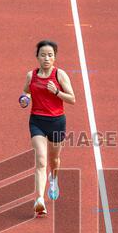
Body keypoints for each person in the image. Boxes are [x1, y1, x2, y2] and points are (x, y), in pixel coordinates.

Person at [22, 39, 75, 215]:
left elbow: (72, 99)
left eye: (50, 55)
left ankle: (54, 178)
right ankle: (39, 199)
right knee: (41, 160)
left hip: (57, 122)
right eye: (43, 55)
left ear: (54, 57)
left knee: (54, 160)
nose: (46, 58)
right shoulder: (31, 75)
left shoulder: (60, 75)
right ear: (37, 57)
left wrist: (57, 92)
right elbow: (26, 92)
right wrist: (25, 99)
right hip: (37, 121)